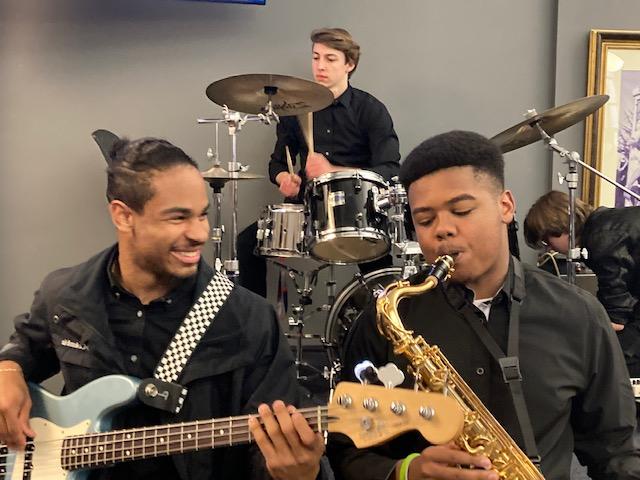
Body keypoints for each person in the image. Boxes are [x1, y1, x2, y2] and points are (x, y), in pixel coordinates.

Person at [0, 137, 326, 480]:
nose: (199, 233)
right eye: (178, 218)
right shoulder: (66, 294)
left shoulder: (250, 319)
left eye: (202, 215)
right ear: (123, 216)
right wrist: (7, 372)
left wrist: (297, 474)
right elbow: (25, 347)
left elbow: (266, 452)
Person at [327, 131, 640, 480]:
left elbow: (617, 452)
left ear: (505, 206)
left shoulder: (578, 314)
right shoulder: (388, 318)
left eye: (461, 210)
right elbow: (346, 452)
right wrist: (406, 471)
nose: (442, 230)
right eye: (425, 220)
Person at [238, 27, 400, 297]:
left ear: (349, 64)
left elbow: (391, 169)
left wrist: (332, 171)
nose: (320, 66)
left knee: (379, 271)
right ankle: (257, 328)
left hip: (356, 214)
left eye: (330, 59)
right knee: (247, 243)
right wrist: (284, 179)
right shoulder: (296, 110)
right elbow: (277, 163)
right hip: (306, 211)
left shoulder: (370, 110)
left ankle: (381, 327)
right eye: (316, 57)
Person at [524, 189, 640, 376]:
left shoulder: (601, 239)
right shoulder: (604, 223)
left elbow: (617, 313)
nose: (549, 247)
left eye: (547, 239)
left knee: (614, 363)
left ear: (560, 225)